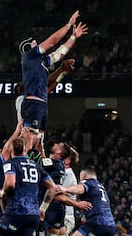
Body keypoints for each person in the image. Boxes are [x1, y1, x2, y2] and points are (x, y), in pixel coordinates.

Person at [19, 11, 87, 144]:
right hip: (33, 103)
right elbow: (52, 42)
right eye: (33, 43)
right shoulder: (29, 56)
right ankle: (24, 162)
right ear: (29, 48)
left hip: (41, 103)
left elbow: (59, 53)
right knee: (30, 139)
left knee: (39, 140)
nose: (36, 43)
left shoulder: (41, 61)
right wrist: (68, 25)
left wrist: (73, 37)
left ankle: (37, 163)